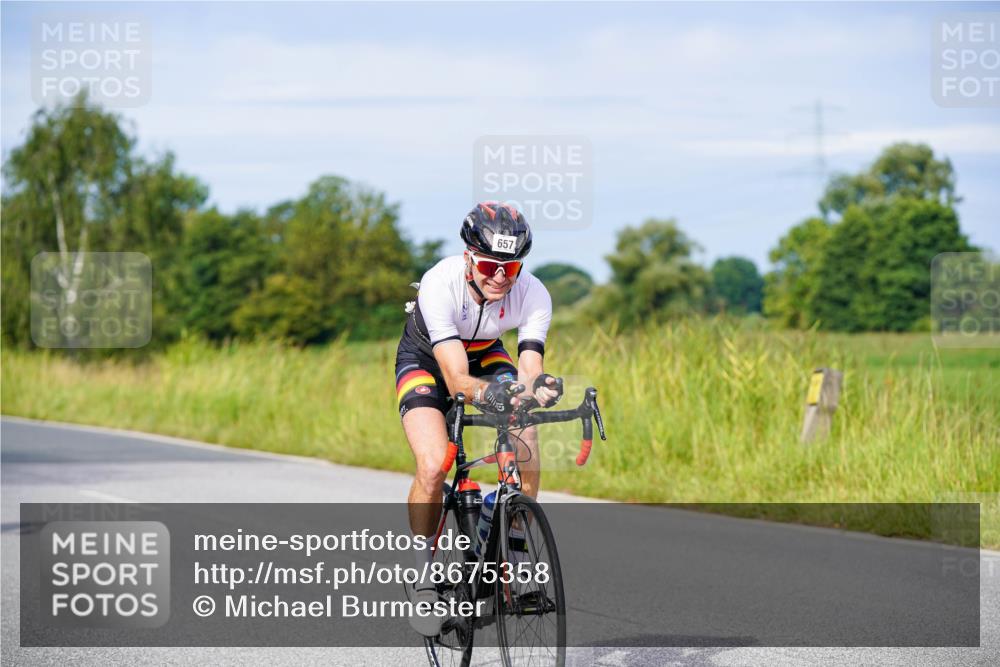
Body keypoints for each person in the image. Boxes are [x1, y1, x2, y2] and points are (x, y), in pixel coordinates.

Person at [395, 201, 562, 636]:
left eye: (511, 268)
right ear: (469, 258)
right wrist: (496, 395)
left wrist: (538, 388)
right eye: (490, 265)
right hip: (427, 360)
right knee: (434, 464)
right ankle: (423, 579)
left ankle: (515, 560)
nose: (500, 277)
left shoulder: (534, 292)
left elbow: (529, 368)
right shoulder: (440, 283)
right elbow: (455, 379)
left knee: (526, 434)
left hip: (486, 354)